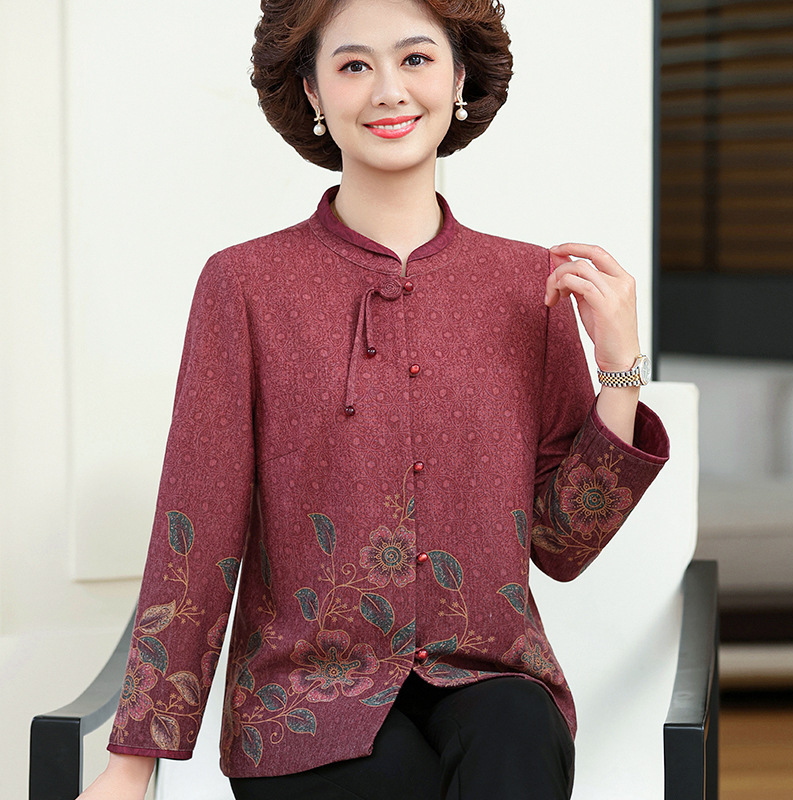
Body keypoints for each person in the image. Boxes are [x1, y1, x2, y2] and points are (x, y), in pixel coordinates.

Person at [77, 1, 669, 798]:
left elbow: (563, 544)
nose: (390, 89)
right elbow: (198, 522)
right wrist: (131, 762)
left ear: (459, 77)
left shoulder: (532, 286)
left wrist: (620, 368)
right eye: (355, 65)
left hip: (490, 675)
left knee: (518, 728)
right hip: (303, 699)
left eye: (416, 59)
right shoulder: (244, 286)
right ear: (313, 92)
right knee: (387, 776)